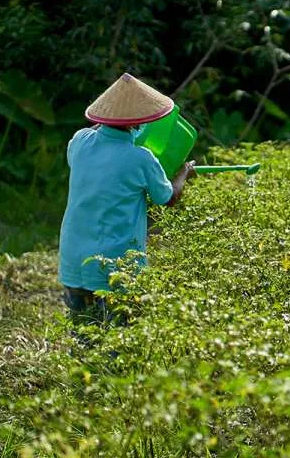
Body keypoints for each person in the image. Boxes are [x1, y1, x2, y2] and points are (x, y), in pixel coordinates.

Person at [58, 73, 195, 324]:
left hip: (73, 259)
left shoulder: (79, 142)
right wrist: (184, 172)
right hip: (116, 267)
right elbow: (168, 197)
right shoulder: (141, 158)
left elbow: (98, 135)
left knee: (81, 336)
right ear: (138, 123)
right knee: (118, 342)